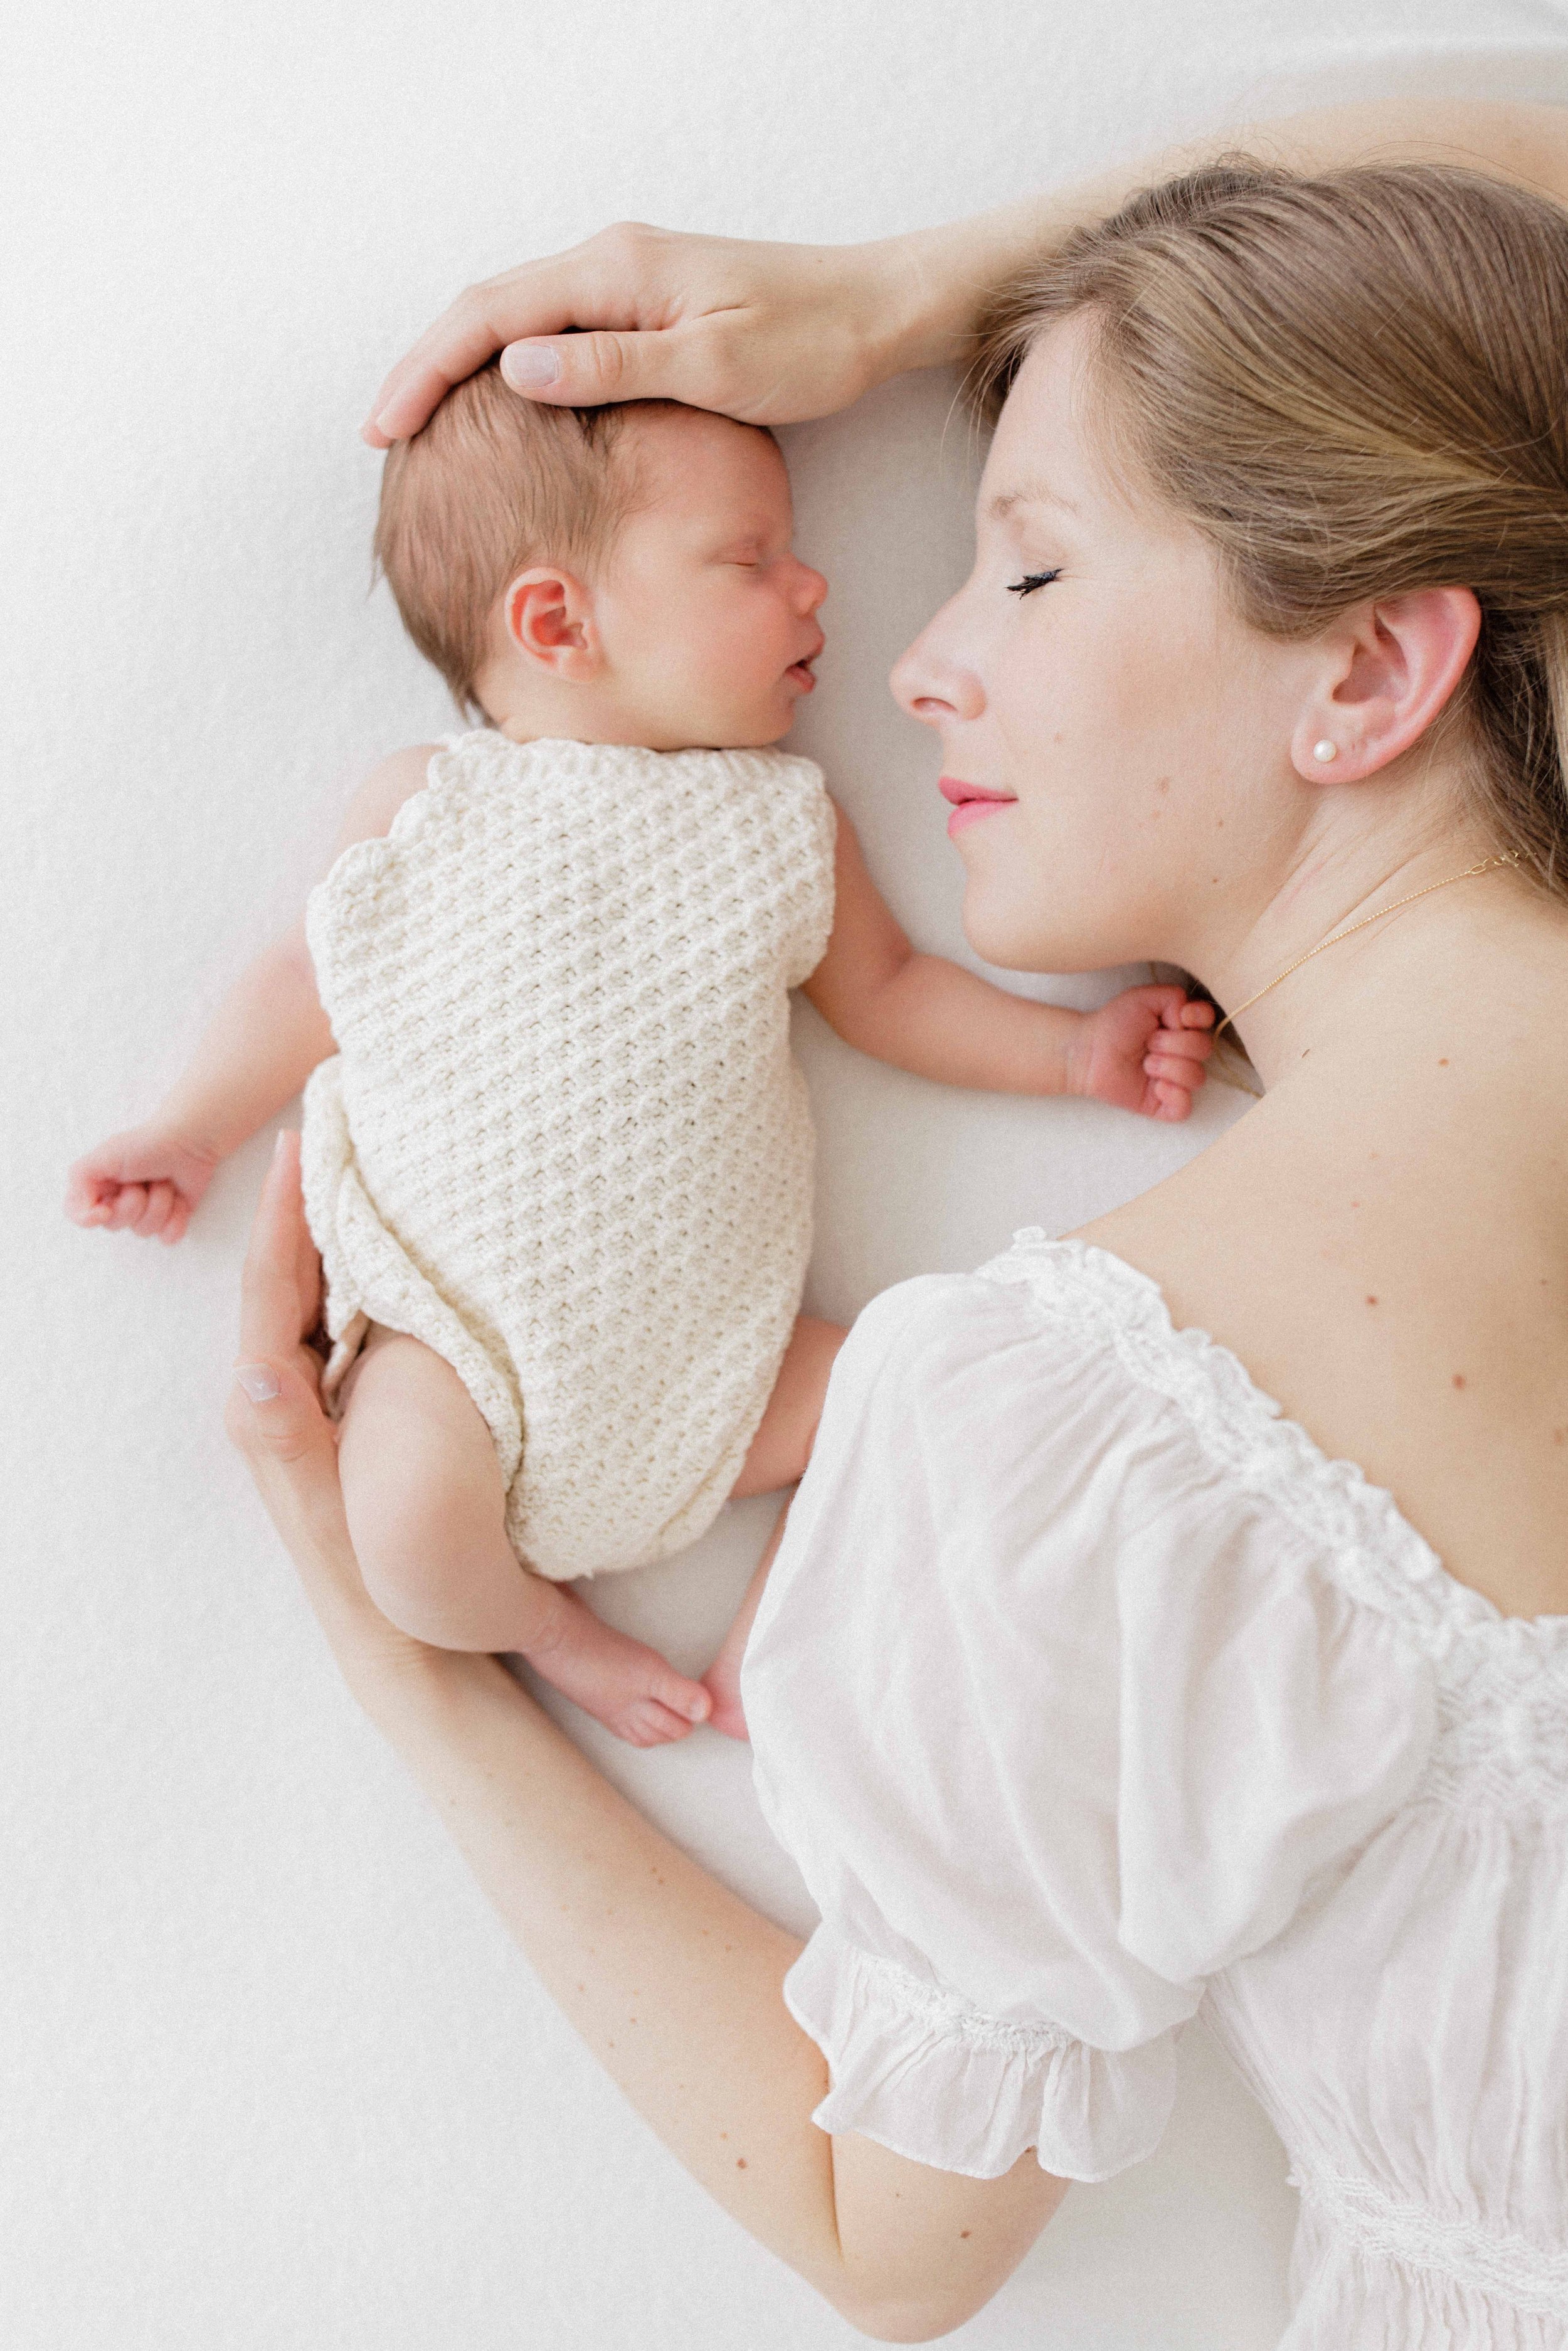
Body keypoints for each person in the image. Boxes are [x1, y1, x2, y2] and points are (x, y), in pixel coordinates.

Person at [228, 97, 1568, 2348]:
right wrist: (912, 299)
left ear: (1370, 669)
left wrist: (404, 1644)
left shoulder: (1096, 1437)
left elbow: (886, 2228)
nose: (913, 659)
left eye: (1030, 561)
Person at [64, 373, 1212, 1751]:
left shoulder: (783, 820)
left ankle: (763, 1651)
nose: (811, 586)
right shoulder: (432, 806)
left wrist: (1073, 1049)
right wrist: (192, 1127)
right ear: (557, 619)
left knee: (906, 1380)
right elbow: (312, 977)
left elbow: (893, 995)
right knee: (406, 1534)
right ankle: (559, 1633)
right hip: (463, 1355)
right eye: (751, 560)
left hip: (723, 1368)